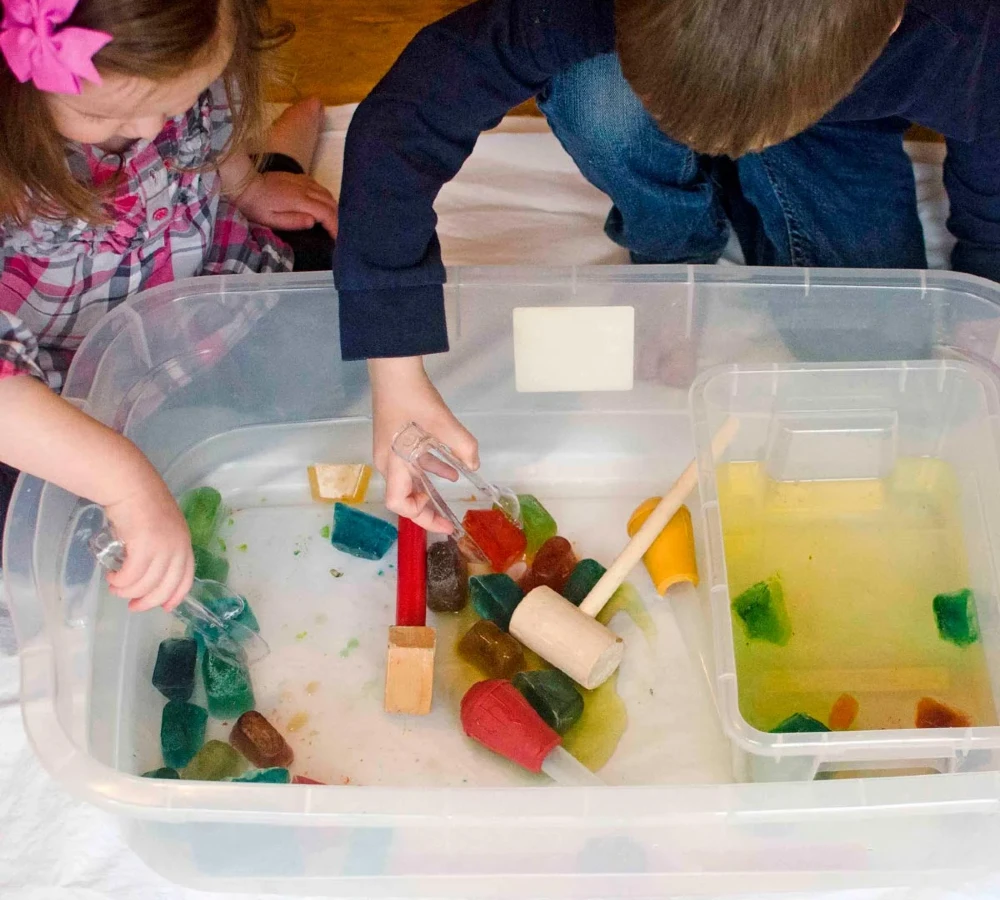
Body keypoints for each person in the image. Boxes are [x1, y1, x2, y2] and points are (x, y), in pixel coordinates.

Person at [334, 0, 1000, 530]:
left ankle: (760, 178)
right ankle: (670, 245)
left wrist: (988, 292)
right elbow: (406, 120)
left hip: (836, 117)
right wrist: (394, 368)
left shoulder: (962, 28)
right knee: (600, 101)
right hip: (633, 77)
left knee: (866, 354)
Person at [0, 0, 338, 612]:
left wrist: (248, 184)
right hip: (44, 387)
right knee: (54, 560)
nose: (156, 128)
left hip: (194, 300)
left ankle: (277, 156)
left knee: (341, 324)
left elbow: (207, 136)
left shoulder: (182, 64)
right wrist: (124, 485)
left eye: (180, 99)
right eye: (108, 115)